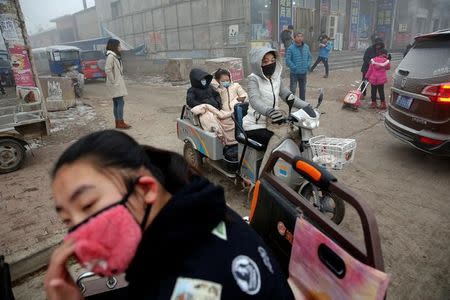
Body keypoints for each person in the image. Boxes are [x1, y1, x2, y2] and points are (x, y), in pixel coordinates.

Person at [44, 130, 295, 300]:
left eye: (87, 205)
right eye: (67, 220)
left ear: (145, 189)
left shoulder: (191, 286)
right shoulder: (200, 212)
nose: (77, 233)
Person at [243, 47, 309, 173]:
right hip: (256, 125)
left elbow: (288, 96)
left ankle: (290, 171)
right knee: (279, 141)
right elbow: (254, 100)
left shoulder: (276, 77)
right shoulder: (253, 79)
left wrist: (307, 106)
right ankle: (264, 175)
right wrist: (269, 111)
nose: (270, 64)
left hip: (274, 122)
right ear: (258, 64)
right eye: (265, 61)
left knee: (298, 133)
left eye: (273, 60)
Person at [105, 39, 131, 129]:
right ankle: (120, 122)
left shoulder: (115, 56)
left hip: (116, 83)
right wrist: (114, 81)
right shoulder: (111, 56)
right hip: (115, 83)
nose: (120, 47)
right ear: (114, 46)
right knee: (120, 102)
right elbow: (107, 70)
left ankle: (118, 122)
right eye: (119, 46)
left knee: (117, 103)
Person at [286, 32, 312, 100]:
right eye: (298, 36)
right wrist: (294, 67)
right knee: (292, 90)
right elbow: (288, 60)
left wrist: (308, 64)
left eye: (301, 36)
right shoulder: (290, 48)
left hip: (303, 73)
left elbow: (310, 57)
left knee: (303, 90)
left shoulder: (306, 47)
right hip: (294, 74)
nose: (300, 38)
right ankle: (291, 105)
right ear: (294, 38)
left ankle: (302, 105)